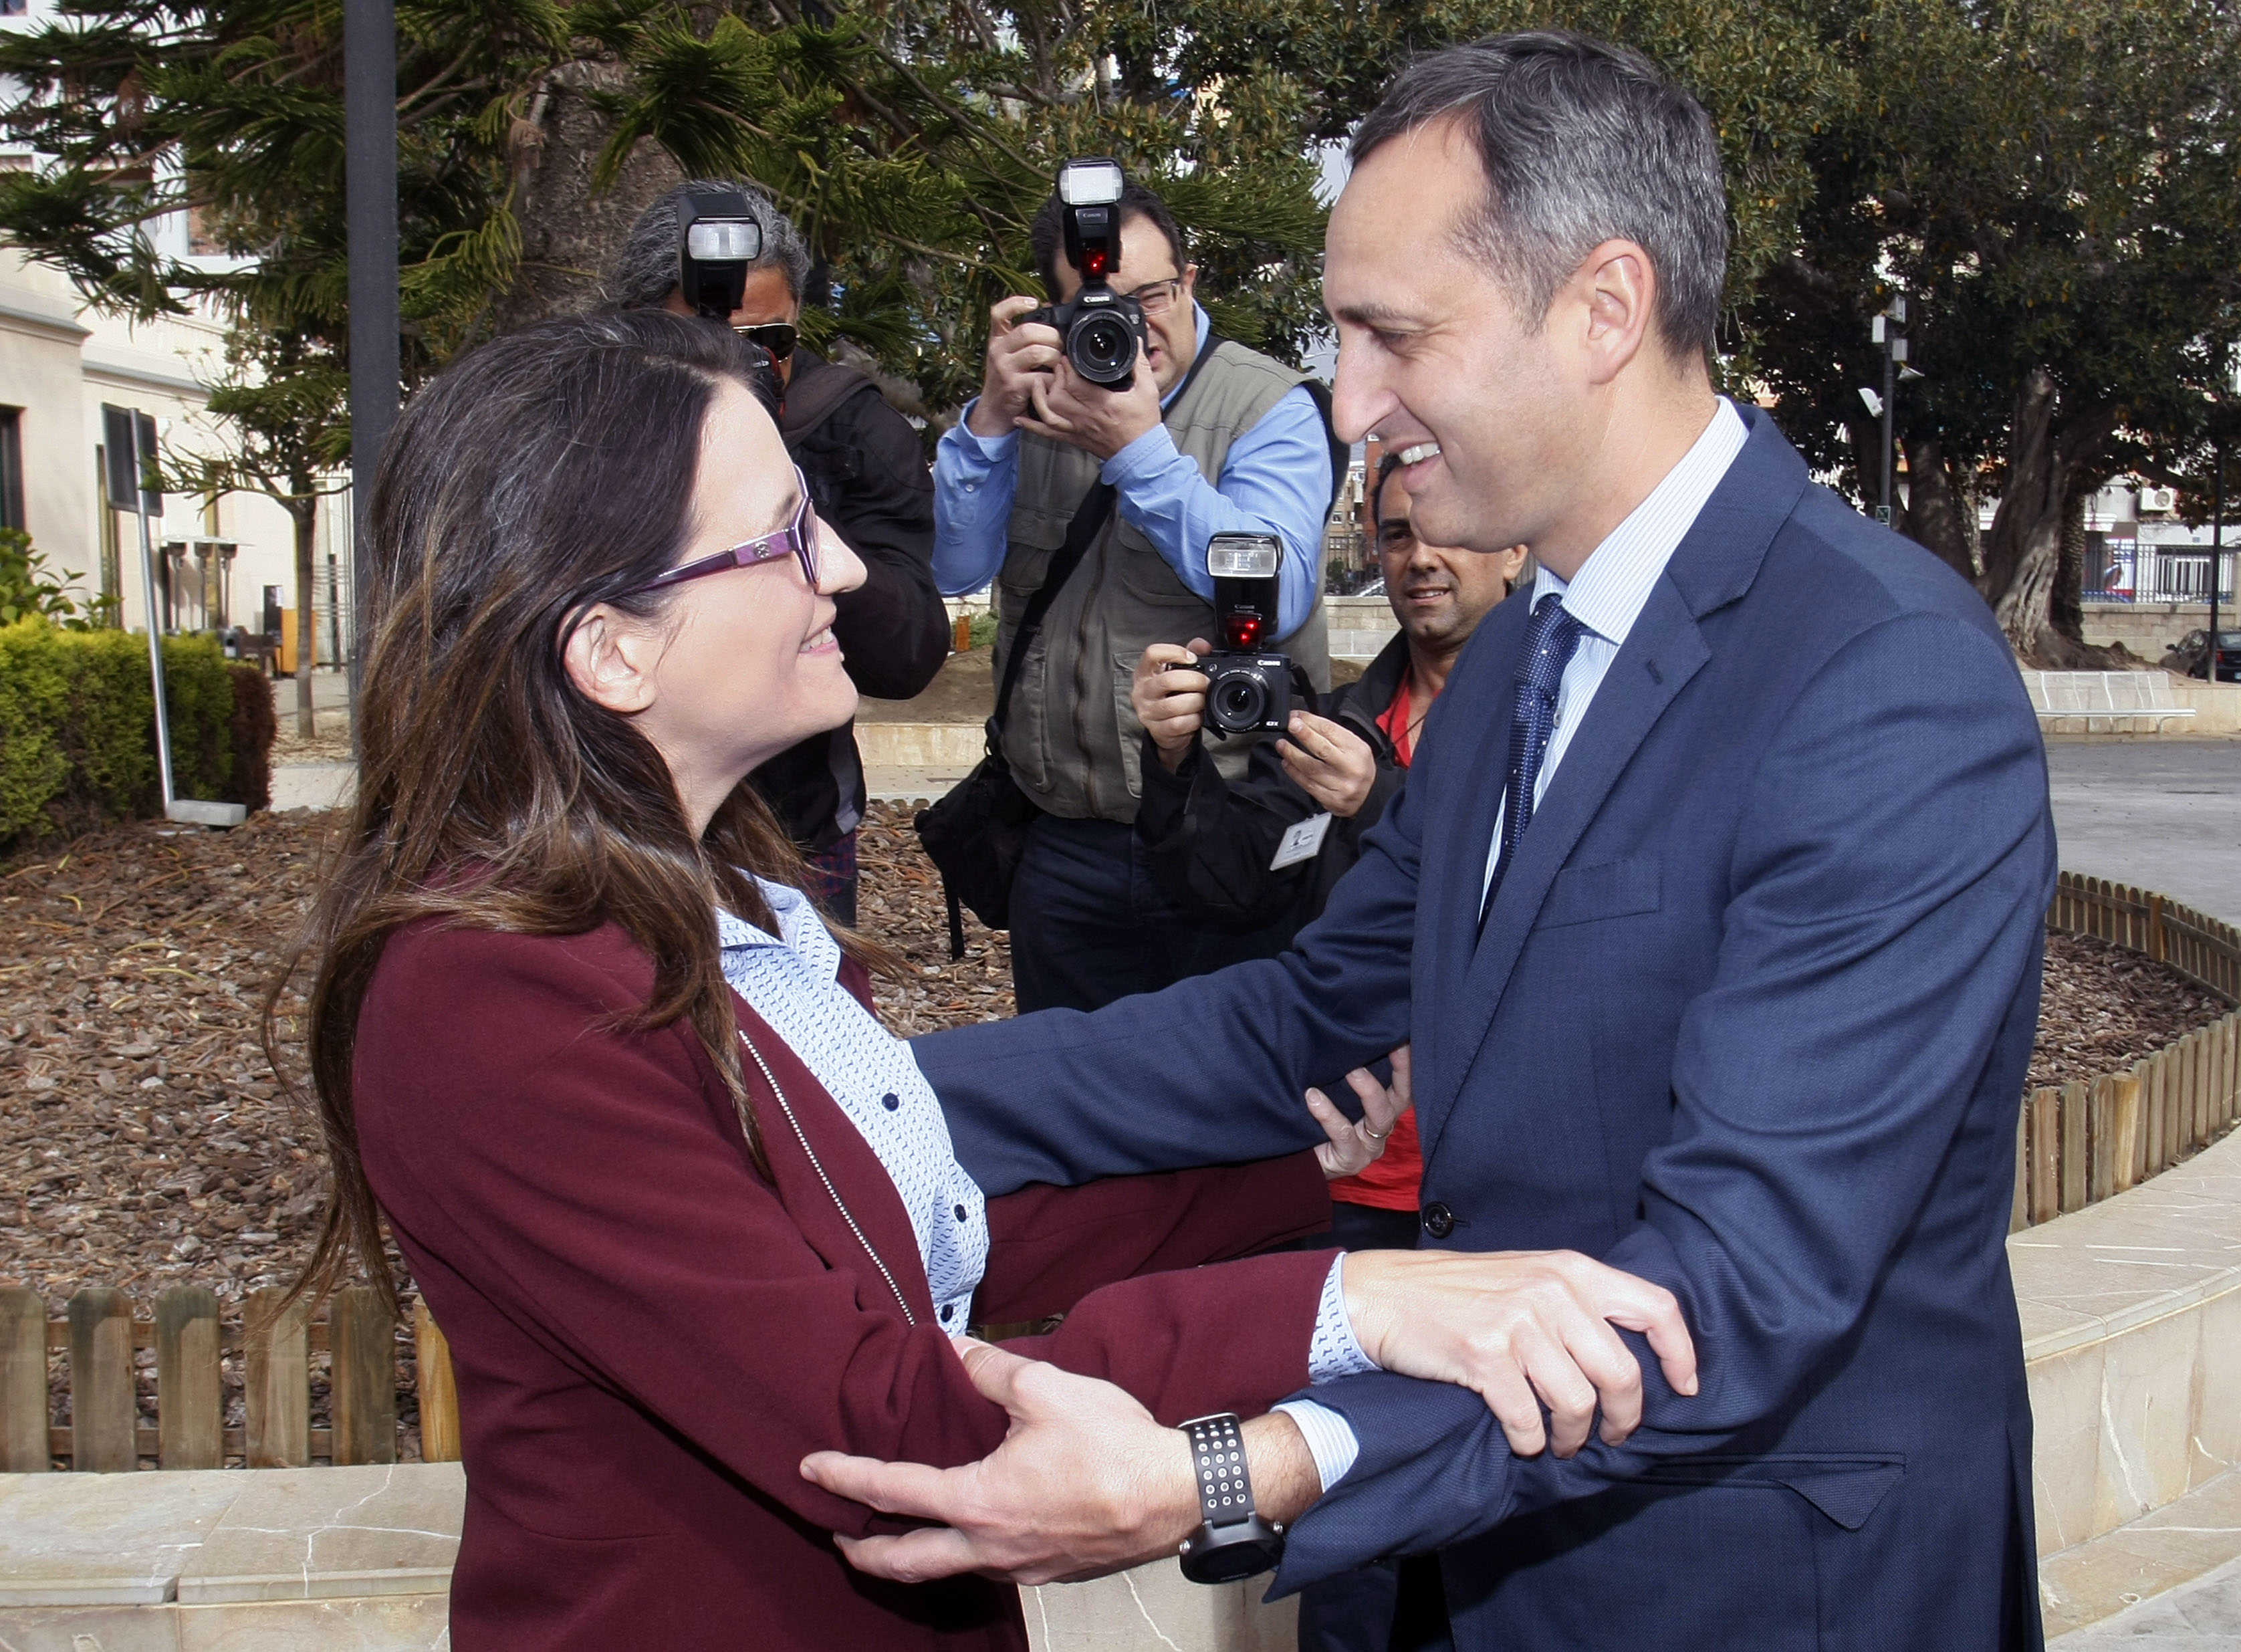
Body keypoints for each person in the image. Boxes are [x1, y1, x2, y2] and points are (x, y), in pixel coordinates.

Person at [807, 32, 2058, 1652]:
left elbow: (1740, 1286)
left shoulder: (1882, 679)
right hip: (1483, 1558)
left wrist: (1227, 1469)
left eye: (1393, 336)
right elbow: (1300, 1020)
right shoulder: (1526, 646)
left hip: (1758, 1587)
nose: (1349, 403)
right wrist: (836, 1088)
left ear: (1603, 308)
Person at [267, 308, 1700, 1651]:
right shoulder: (490, 992)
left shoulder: (700, 907)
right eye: (781, 536)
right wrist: (1353, 1302)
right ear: (613, 648)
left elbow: (910, 1240)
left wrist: (1287, 1185)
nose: (842, 568)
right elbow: (878, 1413)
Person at [1135, 457, 1525, 1652]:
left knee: (1496, 1537)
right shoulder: (1334, 718)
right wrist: (1173, 763)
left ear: (1516, 546)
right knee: (1348, 1533)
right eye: (1396, 533)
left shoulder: (1560, 719)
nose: (1420, 558)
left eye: (1449, 530)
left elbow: (1548, 915)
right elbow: (1222, 890)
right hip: (1353, 1190)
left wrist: (1389, 805)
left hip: (1503, 1197)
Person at [931, 177, 1340, 1011]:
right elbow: (955, 567)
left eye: (1150, 296)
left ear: (1187, 281)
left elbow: (1280, 589)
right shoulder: (1037, 406)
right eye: (1099, 305)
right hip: (1061, 836)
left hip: (1223, 824)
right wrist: (990, 423)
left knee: (1230, 1073)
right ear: (1053, 311)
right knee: (1069, 1079)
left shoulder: (1269, 406)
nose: (1131, 324)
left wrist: (1139, 451)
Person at [609, 178, 948, 923]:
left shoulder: (850, 428)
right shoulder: (582, 420)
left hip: (795, 829)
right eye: (704, 343)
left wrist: (790, 515)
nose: (742, 367)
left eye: (770, 342)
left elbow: (910, 655)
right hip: (616, 819)